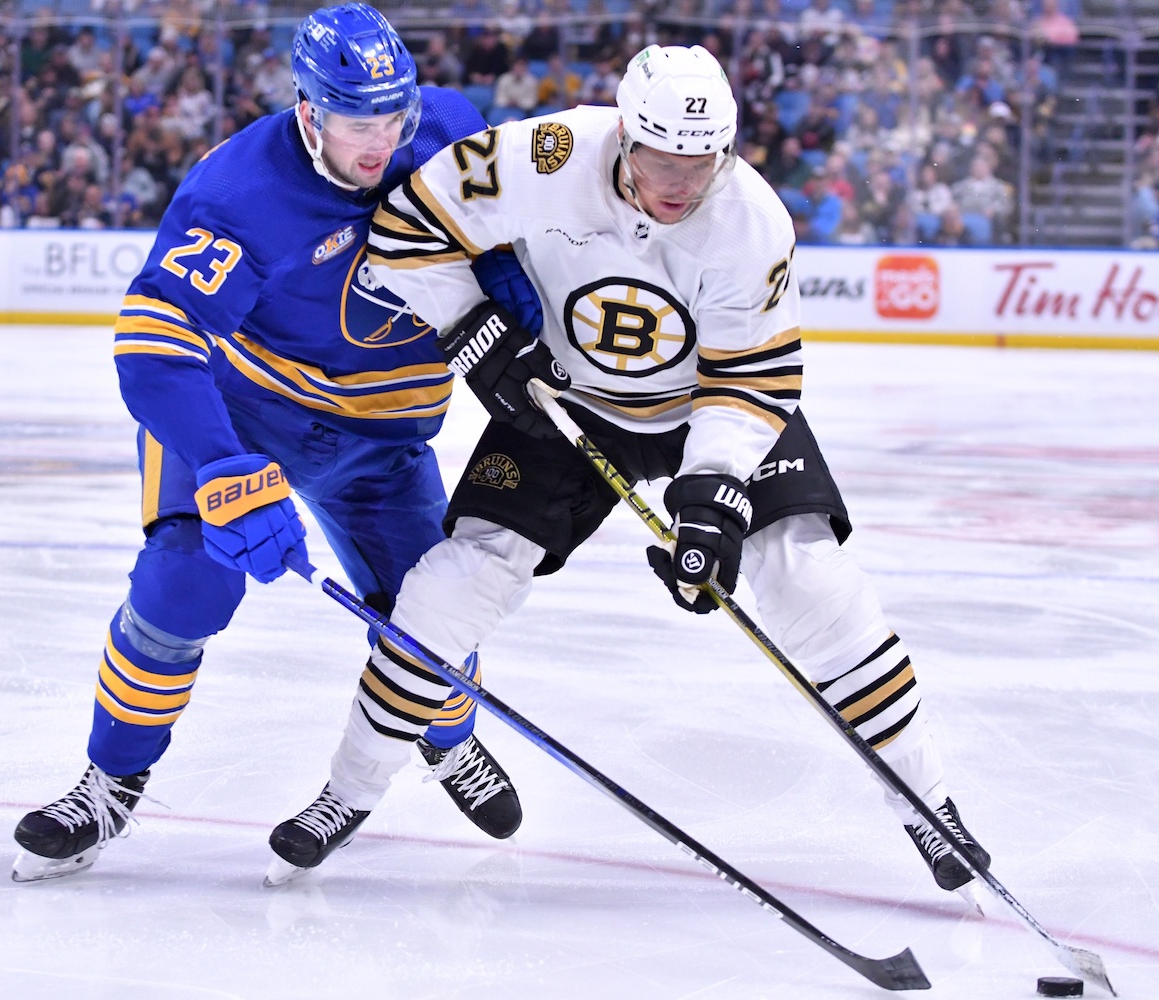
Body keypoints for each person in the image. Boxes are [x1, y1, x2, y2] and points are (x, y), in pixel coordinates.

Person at [287, 43, 992, 896]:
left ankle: (930, 805)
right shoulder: (546, 154)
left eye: (702, 161)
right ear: (625, 133)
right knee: (451, 587)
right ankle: (347, 791)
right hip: (566, 399)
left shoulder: (753, 221)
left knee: (811, 580)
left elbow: (751, 377)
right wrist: (469, 326)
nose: (682, 181)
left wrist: (713, 500)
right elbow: (406, 227)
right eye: (662, 157)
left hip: (703, 404)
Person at [10, 4, 527, 884]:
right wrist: (219, 465)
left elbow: (512, 244)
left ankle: (450, 736)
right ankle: (109, 783)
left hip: (384, 437)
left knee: (432, 618)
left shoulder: (446, 134)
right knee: (181, 582)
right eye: (358, 123)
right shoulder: (237, 191)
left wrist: (528, 328)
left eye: (392, 117)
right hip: (246, 421)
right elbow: (153, 346)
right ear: (309, 110)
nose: (381, 143)